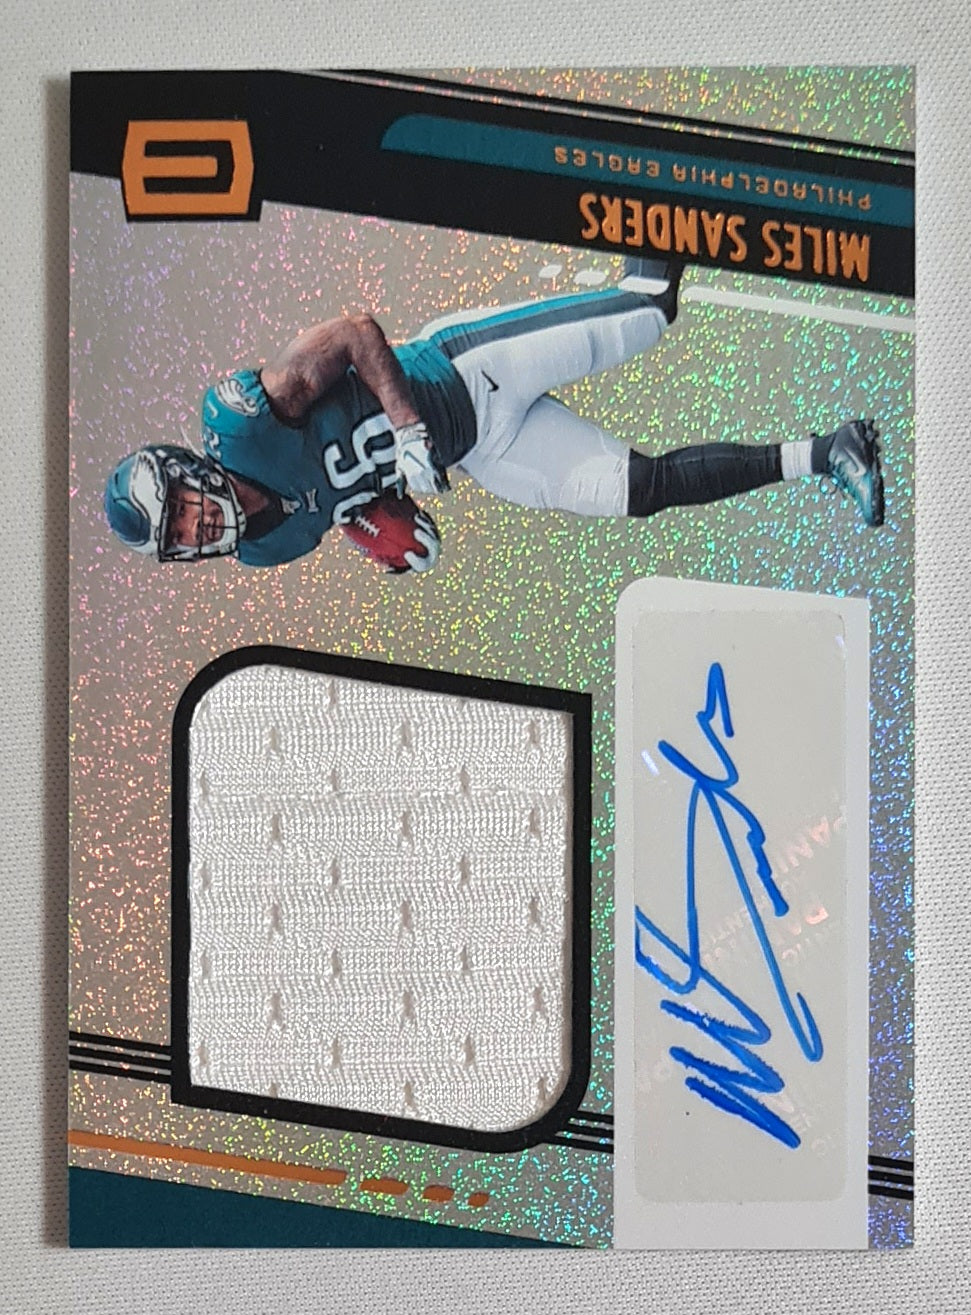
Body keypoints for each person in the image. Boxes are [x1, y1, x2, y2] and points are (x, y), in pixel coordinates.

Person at [103, 259, 884, 573]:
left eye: (182, 509)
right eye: (180, 537)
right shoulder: (264, 548)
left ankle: (664, 179)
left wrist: (407, 428)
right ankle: (829, 452)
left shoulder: (245, 420)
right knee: (636, 490)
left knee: (648, 311)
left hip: (466, 369)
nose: (195, 527)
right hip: (482, 449)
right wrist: (385, 530)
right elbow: (335, 493)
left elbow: (353, 333)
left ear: (186, 469)